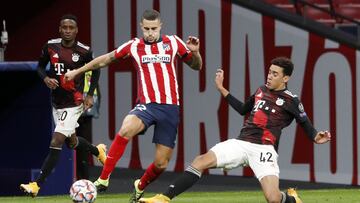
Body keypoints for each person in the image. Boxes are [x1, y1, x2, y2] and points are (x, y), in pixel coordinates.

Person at [139, 57, 331, 203]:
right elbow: (242, 109)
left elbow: (305, 123)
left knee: (273, 198)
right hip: (241, 143)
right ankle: (163, 199)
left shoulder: (291, 100)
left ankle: (291, 199)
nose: (269, 76)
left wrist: (316, 136)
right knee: (200, 161)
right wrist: (222, 88)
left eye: (275, 74)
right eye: (269, 72)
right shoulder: (260, 90)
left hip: (264, 150)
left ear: (286, 78)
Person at [64, 9, 202, 203]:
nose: (150, 33)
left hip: (170, 108)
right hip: (147, 105)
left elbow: (196, 66)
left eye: (154, 29)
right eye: (146, 29)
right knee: (127, 127)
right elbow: (105, 59)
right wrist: (78, 71)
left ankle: (141, 185)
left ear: (160, 26)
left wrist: (195, 54)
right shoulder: (134, 46)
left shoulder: (173, 42)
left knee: (161, 163)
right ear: (141, 27)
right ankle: (103, 179)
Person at [20, 14, 107, 197]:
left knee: (56, 140)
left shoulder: (84, 51)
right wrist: (45, 78)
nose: (67, 30)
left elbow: (96, 69)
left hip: (74, 103)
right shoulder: (51, 46)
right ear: (60, 29)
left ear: (76, 30)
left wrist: (90, 94)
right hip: (57, 102)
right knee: (72, 142)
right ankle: (97, 150)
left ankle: (36, 185)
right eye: (64, 27)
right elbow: (39, 67)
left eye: (71, 28)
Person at [76, 71, 101, 180]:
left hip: (82, 102)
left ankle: (83, 178)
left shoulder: (79, 59)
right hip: (86, 101)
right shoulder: (89, 60)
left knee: (80, 143)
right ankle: (82, 177)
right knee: (77, 142)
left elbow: (96, 84)